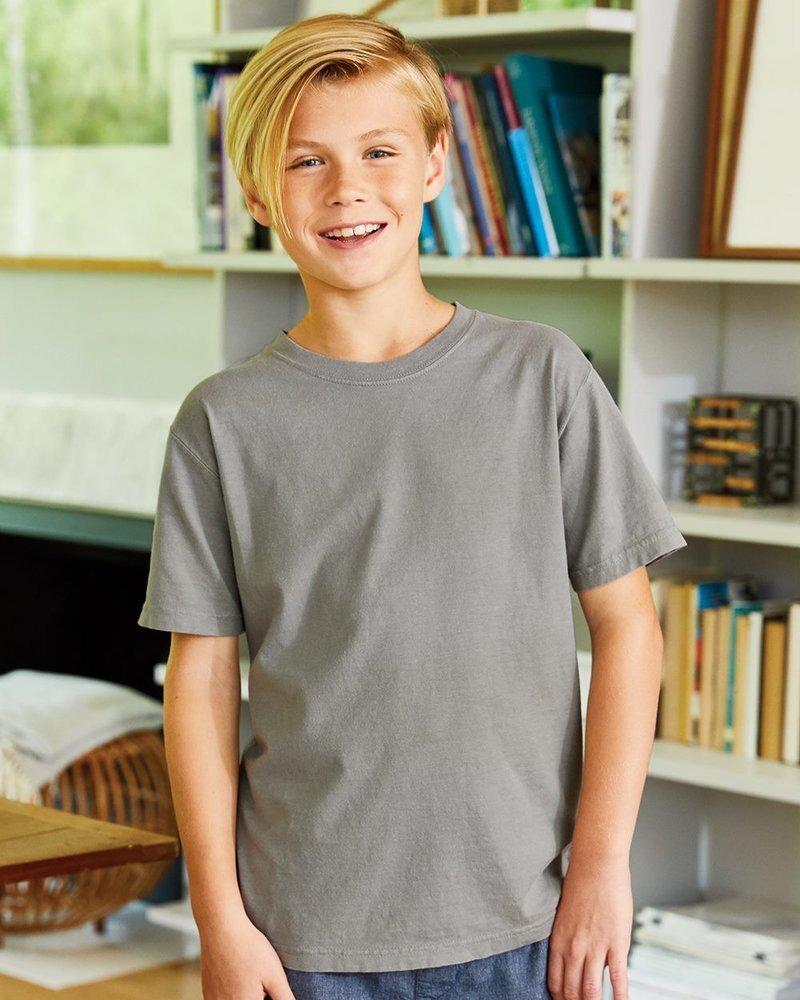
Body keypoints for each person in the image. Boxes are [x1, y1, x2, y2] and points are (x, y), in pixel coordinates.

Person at [138, 13, 686, 1000]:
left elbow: (628, 629)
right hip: (300, 935)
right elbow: (200, 681)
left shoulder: (544, 377)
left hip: (524, 921)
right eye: (306, 161)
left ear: (435, 163)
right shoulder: (221, 422)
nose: (346, 188)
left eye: (378, 151)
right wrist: (219, 919)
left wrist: (602, 864)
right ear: (257, 192)